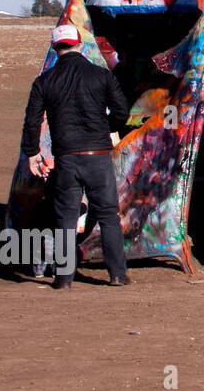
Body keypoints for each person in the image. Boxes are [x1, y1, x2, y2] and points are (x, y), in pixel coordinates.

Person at [19, 24, 131, 289]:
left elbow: (32, 122)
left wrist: (32, 154)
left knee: (66, 219)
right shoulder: (101, 75)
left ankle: (64, 279)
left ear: (56, 48)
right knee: (107, 215)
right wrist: (109, 128)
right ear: (79, 45)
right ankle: (117, 275)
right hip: (98, 155)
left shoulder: (44, 81)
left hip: (66, 157)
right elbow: (122, 112)